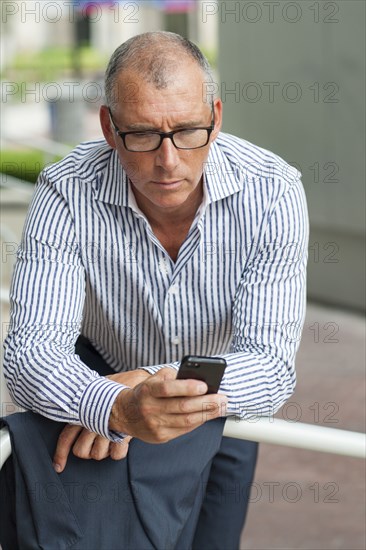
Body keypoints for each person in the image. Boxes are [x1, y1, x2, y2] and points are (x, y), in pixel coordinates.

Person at [3, 31, 308, 548]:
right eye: (142, 135)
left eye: (188, 131)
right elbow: (29, 353)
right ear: (108, 126)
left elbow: (272, 368)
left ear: (216, 116)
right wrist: (112, 404)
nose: (168, 161)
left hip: (218, 397)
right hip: (96, 381)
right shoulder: (65, 190)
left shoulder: (273, 190)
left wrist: (144, 382)